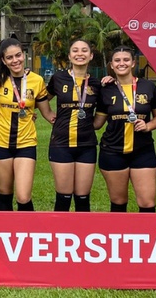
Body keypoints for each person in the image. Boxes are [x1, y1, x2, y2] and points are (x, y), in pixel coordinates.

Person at [94, 46, 156, 213]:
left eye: (126, 60)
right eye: (117, 60)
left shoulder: (148, 87)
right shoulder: (106, 89)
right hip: (112, 151)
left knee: (147, 203)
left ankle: (148, 237)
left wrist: (148, 126)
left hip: (143, 151)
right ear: (111, 64)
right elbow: (98, 122)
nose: (121, 63)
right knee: (118, 202)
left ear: (133, 63)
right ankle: (119, 238)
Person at [0, 38, 54, 211]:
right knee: (4, 193)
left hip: (26, 143)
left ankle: (28, 234)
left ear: (23, 55)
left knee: (23, 196)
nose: (15, 60)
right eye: (9, 58)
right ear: (3, 60)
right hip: (0, 142)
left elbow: (47, 112)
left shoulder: (37, 80)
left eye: (18, 55)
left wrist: (66, 122)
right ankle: (4, 235)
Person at [46, 39, 101, 212]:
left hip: (87, 145)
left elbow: (104, 111)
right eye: (75, 50)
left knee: (83, 199)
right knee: (63, 198)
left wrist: (95, 125)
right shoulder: (58, 78)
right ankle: (59, 237)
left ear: (91, 56)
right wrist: (48, 115)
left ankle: (83, 237)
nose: (80, 54)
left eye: (84, 50)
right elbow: (42, 99)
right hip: (61, 143)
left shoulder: (97, 84)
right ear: (70, 56)